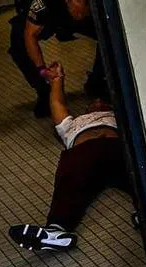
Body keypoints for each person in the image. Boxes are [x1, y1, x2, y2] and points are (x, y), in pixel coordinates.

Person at [7, 62, 131, 252]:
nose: (98, 102)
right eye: (94, 102)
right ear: (87, 110)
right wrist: (58, 79)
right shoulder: (72, 124)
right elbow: (57, 103)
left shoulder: (121, 116)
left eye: (103, 101)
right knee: (69, 180)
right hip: (85, 153)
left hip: (118, 149)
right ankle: (56, 232)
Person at [9, 0, 106, 117]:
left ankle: (97, 81)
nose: (79, 16)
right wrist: (42, 70)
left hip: (71, 12)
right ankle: (44, 92)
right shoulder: (44, 0)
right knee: (18, 44)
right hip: (49, 12)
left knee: (107, 35)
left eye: (83, 13)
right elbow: (30, 35)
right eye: (76, 11)